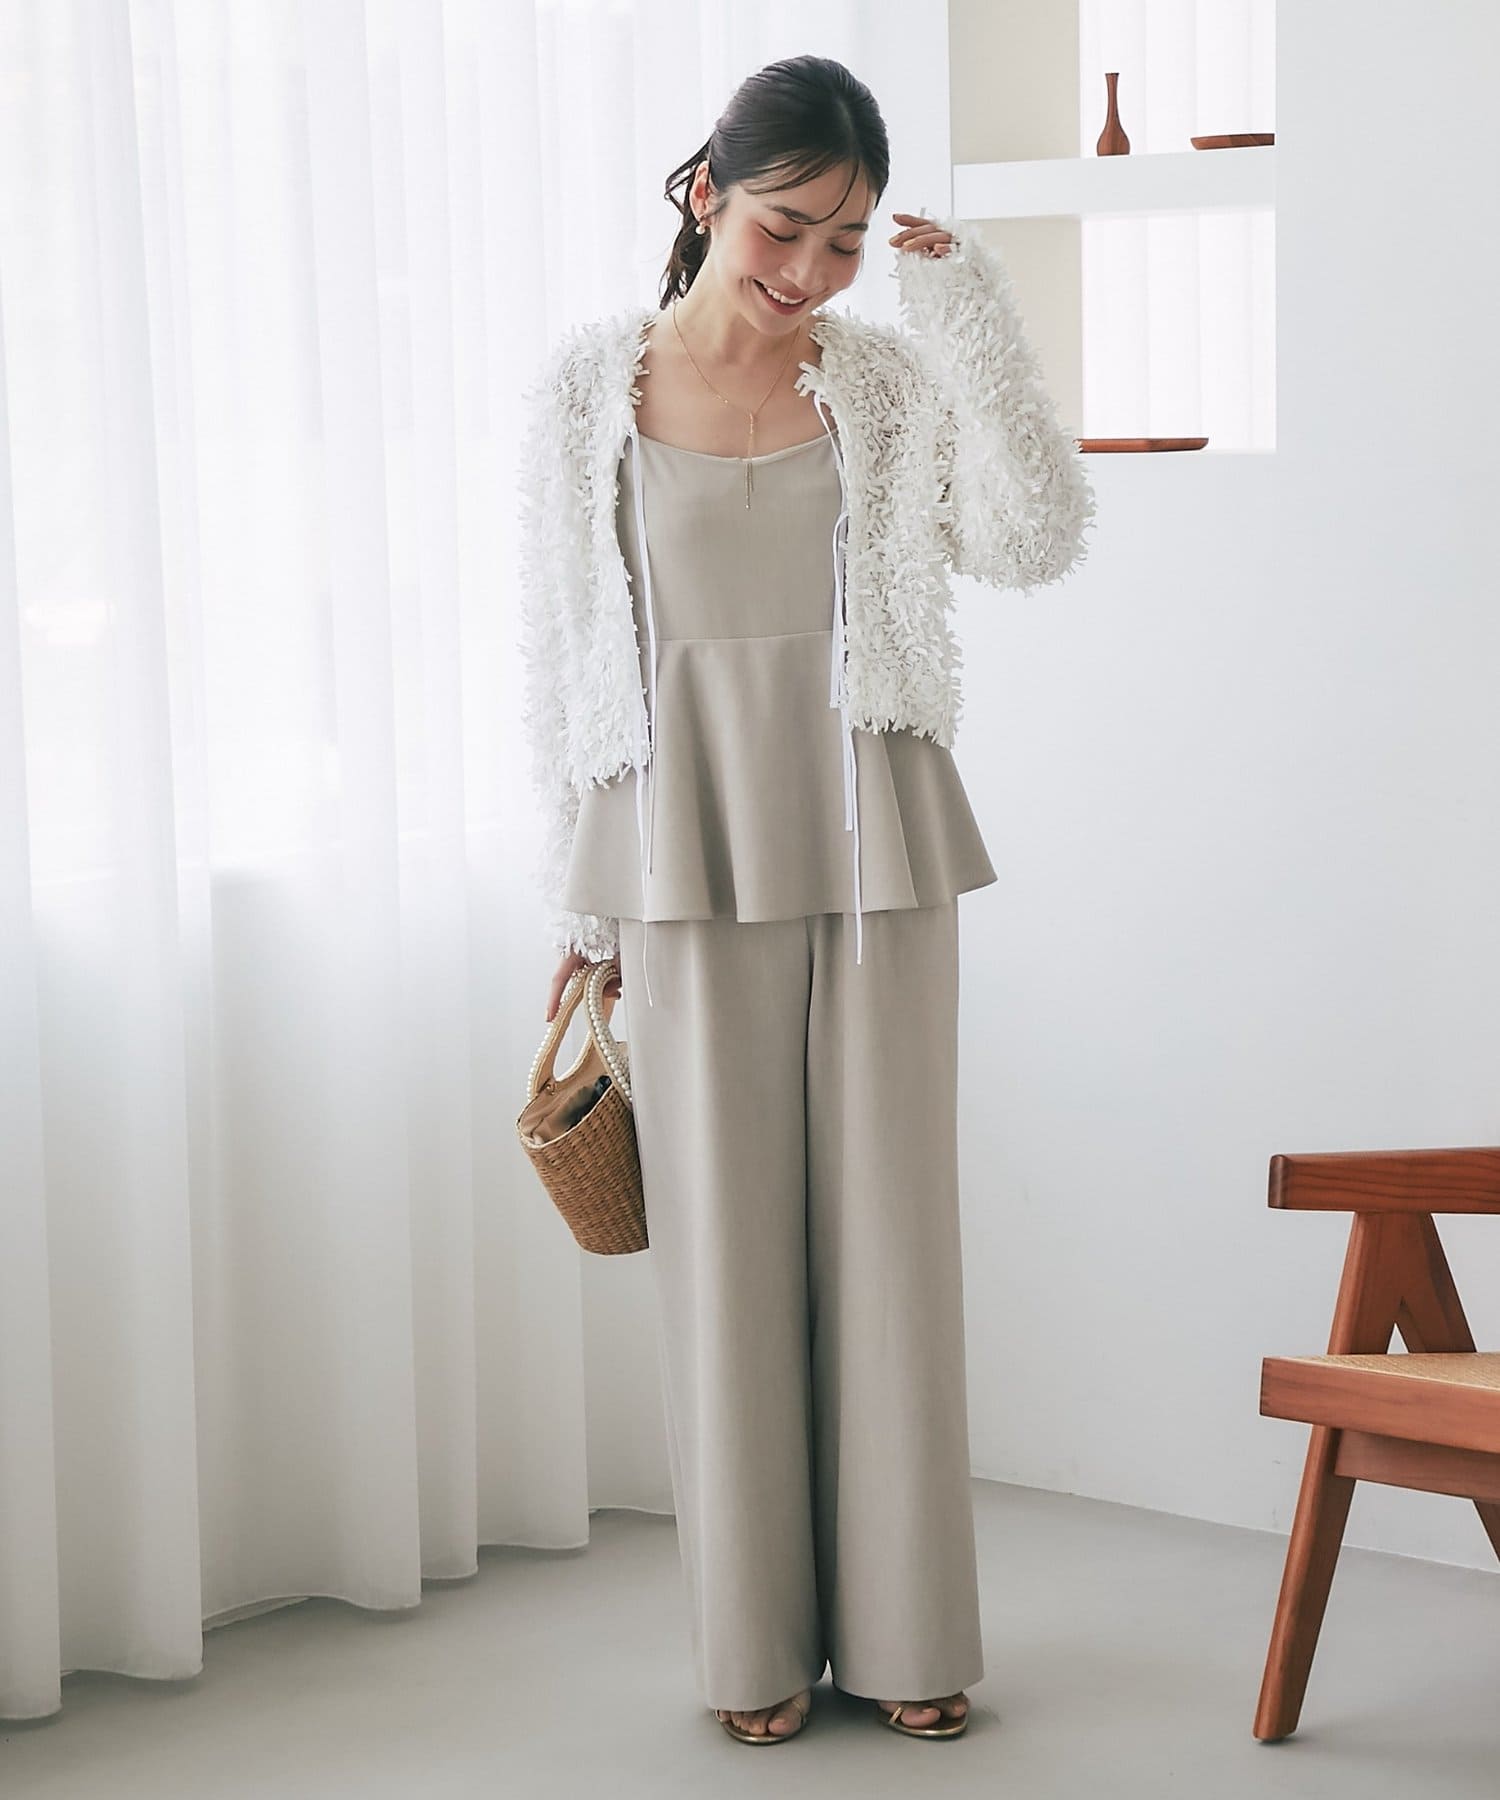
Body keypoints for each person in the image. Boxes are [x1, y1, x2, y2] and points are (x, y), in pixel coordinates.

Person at [515, 53, 1095, 1745]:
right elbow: (558, 653)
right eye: (787, 227)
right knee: (723, 1257)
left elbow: (1037, 534)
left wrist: (968, 315)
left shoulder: (885, 381)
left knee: (892, 1245)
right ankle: (751, 1648)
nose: (811, 272)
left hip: (874, 831)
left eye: (846, 242)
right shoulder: (586, 390)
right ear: (708, 194)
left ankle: (911, 1638)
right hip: (675, 844)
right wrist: (576, 907)